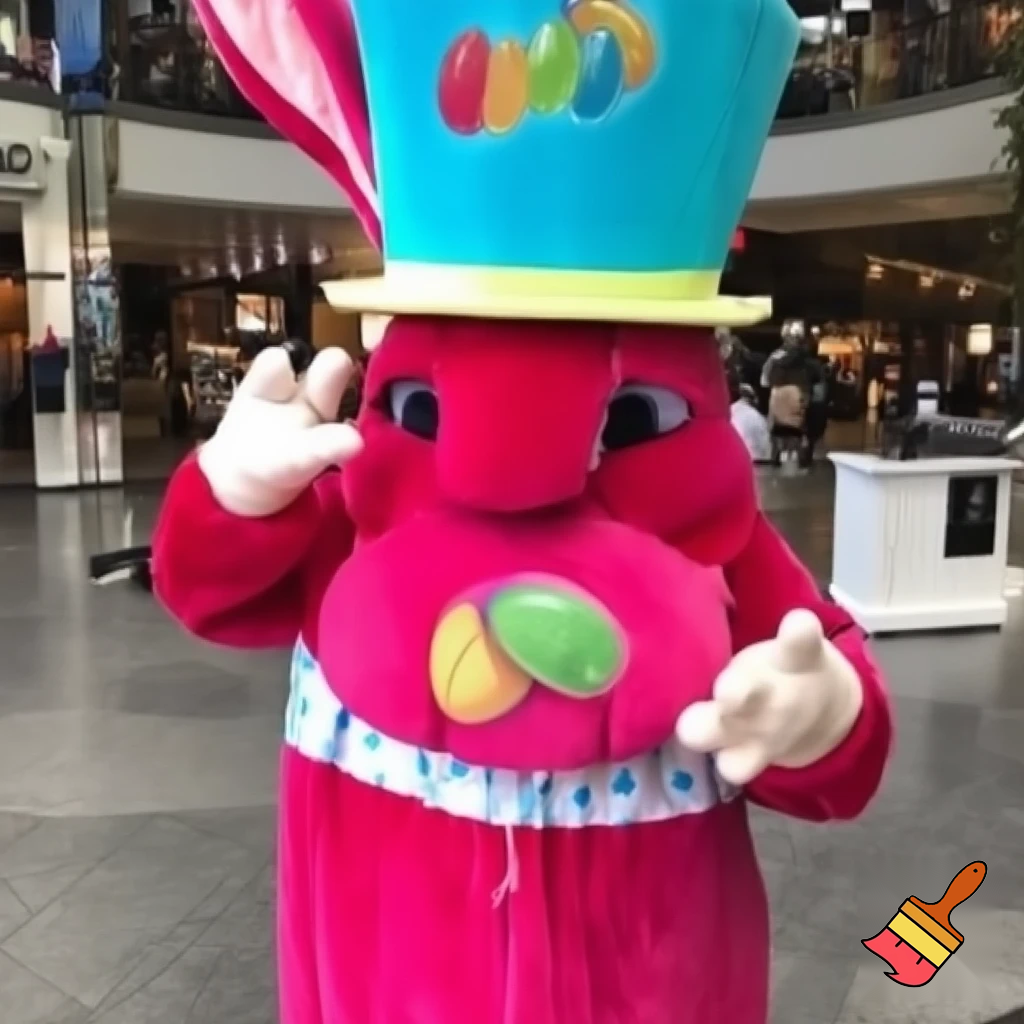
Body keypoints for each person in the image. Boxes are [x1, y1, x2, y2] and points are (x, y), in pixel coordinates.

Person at [731, 382, 772, 463]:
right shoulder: (757, 416)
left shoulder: (729, 413)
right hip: (758, 460)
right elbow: (765, 442)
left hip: (737, 460)